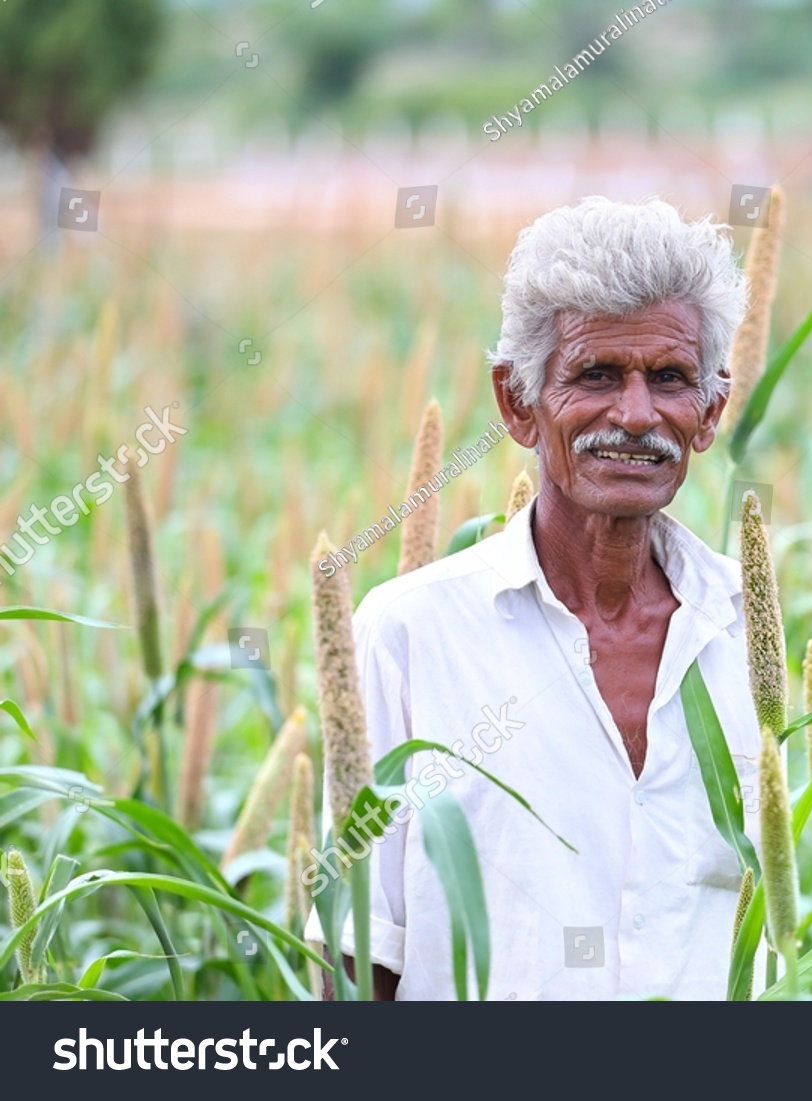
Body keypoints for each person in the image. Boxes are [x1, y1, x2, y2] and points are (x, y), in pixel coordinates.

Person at [313, 196, 763, 999]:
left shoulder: (745, 629)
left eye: (668, 379)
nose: (634, 414)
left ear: (710, 412)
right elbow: (357, 953)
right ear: (518, 402)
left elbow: (763, 925)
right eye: (595, 375)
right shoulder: (408, 633)